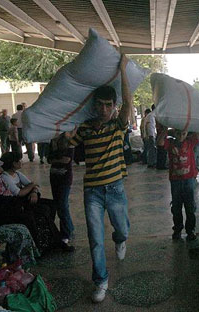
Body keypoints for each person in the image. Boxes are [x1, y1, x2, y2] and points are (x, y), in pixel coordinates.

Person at [66, 55, 131, 303]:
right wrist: (64, 135)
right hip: (92, 191)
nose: (103, 109)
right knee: (94, 239)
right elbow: (66, 144)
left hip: (115, 189)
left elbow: (128, 102)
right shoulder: (84, 128)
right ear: (94, 106)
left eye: (108, 105)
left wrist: (123, 69)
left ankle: (120, 239)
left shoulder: (117, 126)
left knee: (122, 228)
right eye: (100, 105)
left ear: (114, 106)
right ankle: (101, 280)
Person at [0, 153, 73, 254]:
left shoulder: (17, 174)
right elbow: (19, 193)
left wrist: (33, 192)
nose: (21, 162)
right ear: (13, 164)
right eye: (18, 161)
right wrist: (32, 186)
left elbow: (33, 186)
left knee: (52, 205)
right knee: (44, 211)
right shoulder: (5, 177)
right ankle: (49, 241)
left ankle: (47, 235)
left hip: (28, 200)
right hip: (18, 205)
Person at [165, 129, 199, 241]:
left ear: (187, 134)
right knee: (176, 207)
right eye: (178, 134)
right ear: (174, 134)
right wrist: (168, 131)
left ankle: (190, 230)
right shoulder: (170, 144)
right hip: (175, 181)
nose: (181, 136)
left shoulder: (190, 142)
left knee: (190, 207)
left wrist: (187, 127)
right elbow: (160, 142)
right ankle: (177, 229)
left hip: (189, 179)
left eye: (183, 134)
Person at [48, 134, 75, 245]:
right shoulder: (52, 143)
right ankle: (69, 228)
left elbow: (67, 160)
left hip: (65, 178)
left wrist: (55, 159)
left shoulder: (70, 143)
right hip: (54, 177)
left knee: (63, 205)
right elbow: (49, 159)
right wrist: (56, 159)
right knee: (59, 205)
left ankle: (66, 233)